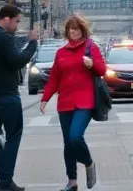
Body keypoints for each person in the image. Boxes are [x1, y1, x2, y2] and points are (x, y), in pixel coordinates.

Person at [0, 4, 41, 191]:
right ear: (6, 19)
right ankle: (4, 182)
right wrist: (32, 43)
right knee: (13, 137)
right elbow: (18, 60)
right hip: (6, 96)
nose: (17, 25)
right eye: (16, 21)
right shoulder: (4, 38)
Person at [40, 14, 106, 190]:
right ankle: (72, 181)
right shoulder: (61, 52)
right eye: (70, 29)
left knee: (75, 136)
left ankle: (89, 163)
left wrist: (91, 64)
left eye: (75, 29)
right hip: (65, 101)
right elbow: (54, 79)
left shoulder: (91, 48)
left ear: (82, 31)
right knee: (67, 143)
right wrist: (45, 98)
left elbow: (102, 70)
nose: (72, 32)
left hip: (85, 101)